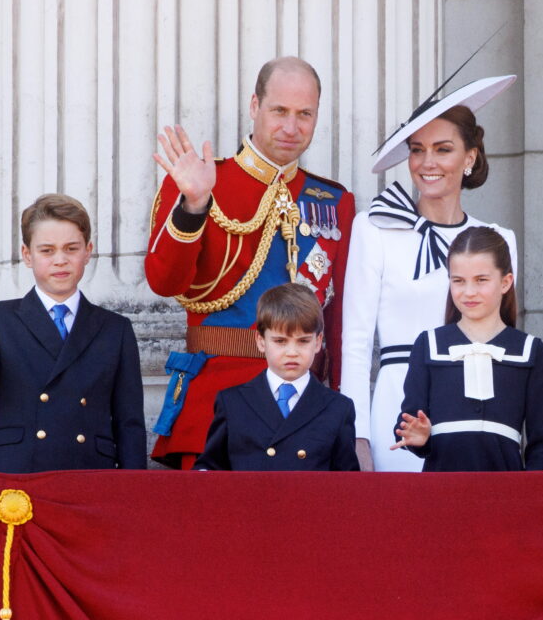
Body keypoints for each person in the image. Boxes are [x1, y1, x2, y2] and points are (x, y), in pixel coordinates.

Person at [146, 56, 354, 469]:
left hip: (304, 413)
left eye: (305, 114)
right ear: (254, 106)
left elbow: (339, 318)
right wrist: (194, 204)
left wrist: (341, 408)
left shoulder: (333, 201)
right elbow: (164, 282)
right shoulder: (203, 181)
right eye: (279, 111)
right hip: (215, 407)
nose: (291, 128)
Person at [340, 75, 518, 471]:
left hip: (475, 410)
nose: (427, 163)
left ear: (470, 157)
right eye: (417, 150)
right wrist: (358, 436)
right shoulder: (374, 228)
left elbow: (503, 346)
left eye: (443, 149)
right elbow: (354, 343)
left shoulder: (499, 240)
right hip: (397, 409)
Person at [0, 194, 146, 472]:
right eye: (47, 250)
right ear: (27, 255)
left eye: (71, 248)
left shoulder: (115, 328)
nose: (60, 260)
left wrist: (131, 495)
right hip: (17, 472)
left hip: (91, 472)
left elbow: (129, 422)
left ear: (88, 251)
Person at [392, 227, 543, 471]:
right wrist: (418, 437)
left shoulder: (531, 350)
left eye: (481, 280)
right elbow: (408, 424)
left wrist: (531, 499)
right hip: (441, 490)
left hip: (507, 494)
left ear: (505, 282)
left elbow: (541, 444)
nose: (469, 292)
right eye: (458, 281)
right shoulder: (428, 344)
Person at [195, 284, 359, 471]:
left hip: (310, 500)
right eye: (280, 341)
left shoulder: (338, 408)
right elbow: (209, 470)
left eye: (303, 341)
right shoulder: (232, 403)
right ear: (261, 341)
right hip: (249, 499)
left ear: (318, 342)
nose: (292, 352)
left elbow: (347, 484)